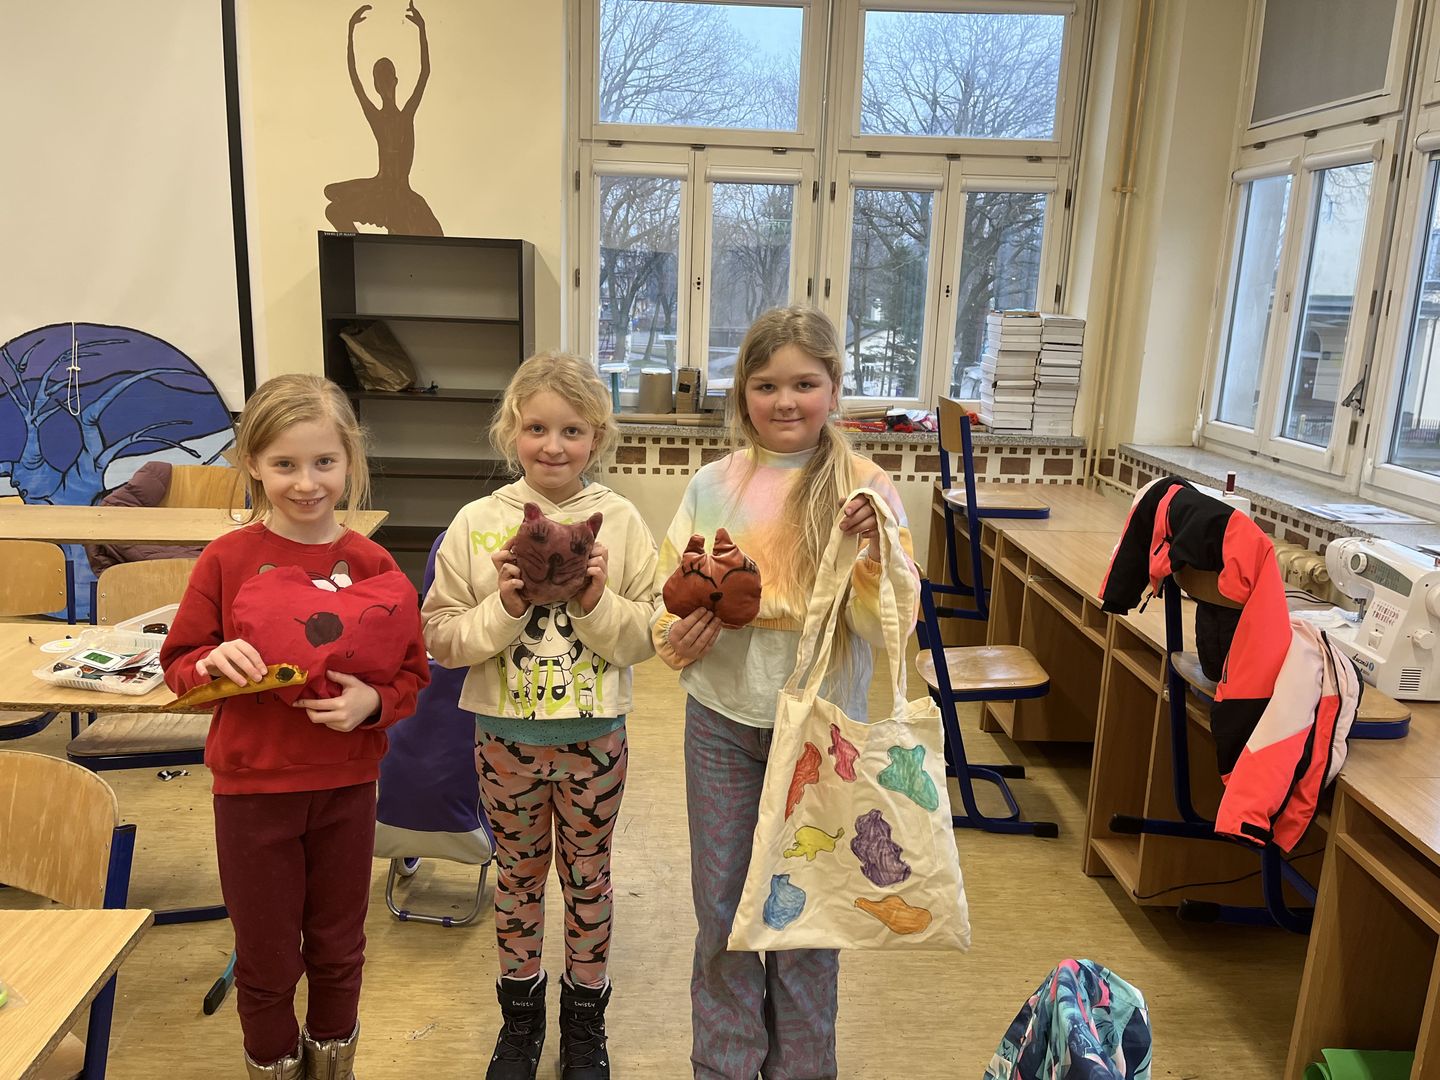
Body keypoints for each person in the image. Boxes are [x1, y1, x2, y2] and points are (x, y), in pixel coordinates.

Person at [652, 306, 919, 1080]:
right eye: (766, 385)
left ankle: (803, 1067)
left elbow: (887, 625)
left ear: (834, 387)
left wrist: (872, 554)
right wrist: (675, 632)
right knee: (724, 909)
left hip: (823, 735)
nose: (785, 401)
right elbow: (669, 592)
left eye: (805, 383)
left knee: (807, 915)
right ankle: (725, 1066)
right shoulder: (713, 485)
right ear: (743, 392)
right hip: (722, 725)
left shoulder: (867, 490)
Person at [160, 374, 429, 1080]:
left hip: (346, 787)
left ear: (349, 461)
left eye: (323, 462)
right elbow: (179, 665)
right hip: (252, 793)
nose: (306, 483)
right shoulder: (226, 560)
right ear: (252, 463)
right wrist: (210, 661)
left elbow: (411, 674)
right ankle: (272, 1064)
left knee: (339, 948)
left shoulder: (371, 563)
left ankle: (334, 1064)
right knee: (267, 957)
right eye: (285, 464)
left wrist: (373, 703)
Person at [422, 352, 658, 1080]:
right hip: (505, 743)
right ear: (511, 432)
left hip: (594, 743)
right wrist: (505, 605)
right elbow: (441, 638)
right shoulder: (477, 522)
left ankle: (585, 1026)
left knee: (589, 882)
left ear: (597, 438)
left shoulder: (622, 521)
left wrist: (594, 600)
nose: (553, 446)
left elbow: (646, 636)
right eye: (536, 428)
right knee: (518, 883)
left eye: (572, 430)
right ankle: (520, 1025)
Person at [324, 2, 442, 235]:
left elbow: (425, 73)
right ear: (376, 86)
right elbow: (354, 78)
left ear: (395, 81)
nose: (384, 81)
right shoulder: (375, 116)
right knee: (332, 200)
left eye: (387, 76)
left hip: (401, 192)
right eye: (380, 78)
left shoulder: (406, 114)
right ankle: (357, 245)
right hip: (380, 190)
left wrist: (422, 29)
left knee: (432, 234)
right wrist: (350, 31)